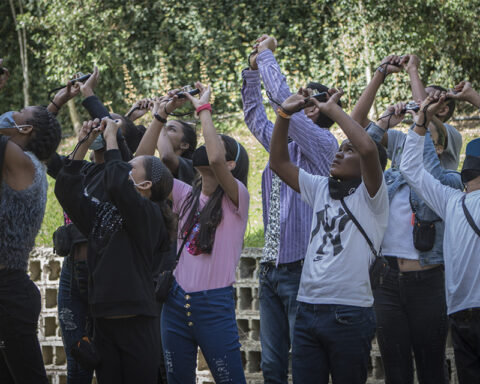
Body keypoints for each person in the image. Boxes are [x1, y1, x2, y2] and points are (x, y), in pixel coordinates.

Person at [351, 54, 463, 384]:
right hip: (387, 279)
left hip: (429, 279)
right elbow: (359, 139)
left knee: (430, 367)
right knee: (394, 369)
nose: (418, 107)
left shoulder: (448, 152)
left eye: (426, 103)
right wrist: (385, 119)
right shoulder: (391, 173)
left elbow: (425, 148)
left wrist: (414, 70)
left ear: (441, 109)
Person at [269, 87, 388, 384]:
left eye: (348, 150)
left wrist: (332, 110)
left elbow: (369, 149)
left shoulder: (372, 198)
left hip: (349, 313)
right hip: (307, 308)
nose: (339, 152)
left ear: (366, 168)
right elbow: (279, 164)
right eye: (340, 147)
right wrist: (284, 115)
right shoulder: (321, 188)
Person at [242, 34, 338, 384]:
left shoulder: (325, 145)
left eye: (314, 101)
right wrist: (251, 72)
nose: (306, 104)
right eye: (304, 99)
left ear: (327, 111)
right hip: (270, 266)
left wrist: (266, 56)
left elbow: (284, 103)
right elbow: (255, 118)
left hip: (302, 270)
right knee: (271, 366)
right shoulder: (282, 144)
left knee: (307, 365)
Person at [54, 116, 175, 384]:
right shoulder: (104, 211)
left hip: (137, 324)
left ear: (145, 187)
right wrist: (83, 143)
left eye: (128, 167)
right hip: (103, 323)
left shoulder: (150, 215)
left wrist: (111, 139)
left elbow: (117, 183)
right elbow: (66, 190)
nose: (120, 170)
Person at [152, 82, 250, 383]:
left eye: (218, 144)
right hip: (175, 301)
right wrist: (160, 116)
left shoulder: (237, 199)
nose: (209, 147)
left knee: (229, 379)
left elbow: (215, 158)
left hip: (213, 305)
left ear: (231, 164)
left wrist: (203, 109)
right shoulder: (184, 194)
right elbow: (145, 164)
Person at [400, 85, 480, 384]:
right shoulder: (452, 200)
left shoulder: (451, 200)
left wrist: (420, 122)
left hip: (460, 311)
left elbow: (410, 168)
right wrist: (472, 97)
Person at [0, 105, 62, 383]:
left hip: (8, 293)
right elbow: (37, 127)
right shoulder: (26, 161)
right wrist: (56, 105)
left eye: (20, 111)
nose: (11, 111)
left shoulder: (21, 162)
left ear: (25, 130)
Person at [403, 54, 462, 170]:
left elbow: (426, 114)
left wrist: (412, 69)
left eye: (428, 97)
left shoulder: (453, 134)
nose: (419, 102)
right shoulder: (411, 135)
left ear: (443, 109)